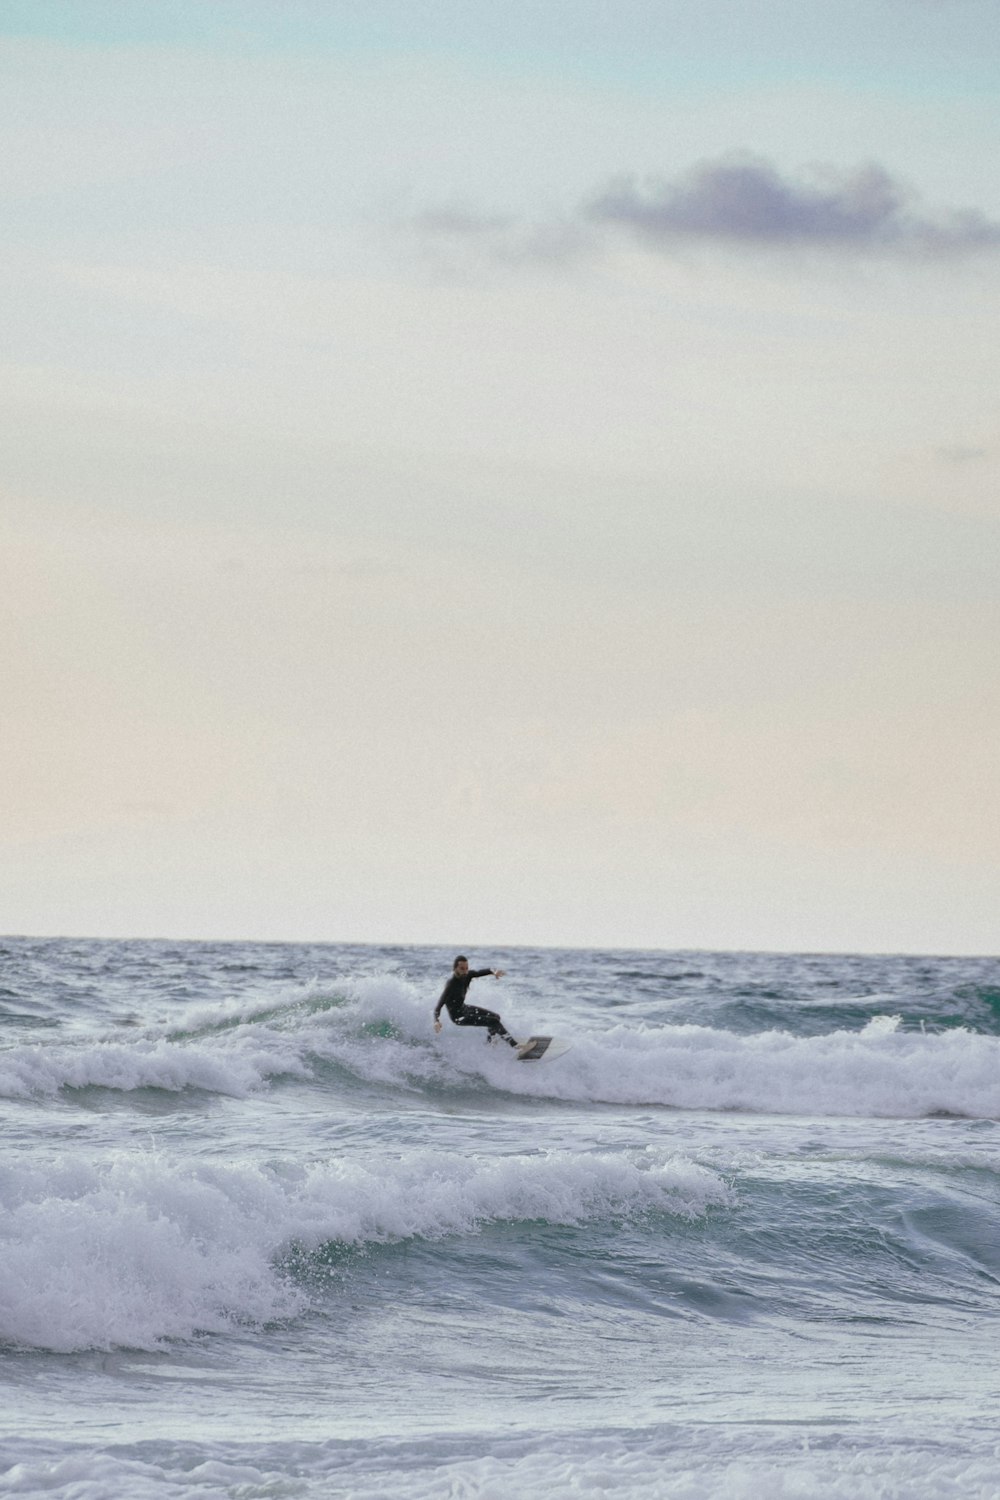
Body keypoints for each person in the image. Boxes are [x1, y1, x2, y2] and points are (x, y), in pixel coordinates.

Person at [433, 955, 518, 1048]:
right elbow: (439, 1005)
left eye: (466, 968)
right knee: (493, 1021)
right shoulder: (451, 984)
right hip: (458, 1017)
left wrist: (494, 972)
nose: (465, 971)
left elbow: (481, 972)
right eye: (462, 969)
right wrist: (436, 1020)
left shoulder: (468, 975)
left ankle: (490, 1043)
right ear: (455, 969)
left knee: (496, 1017)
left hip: (464, 1008)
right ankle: (515, 1046)